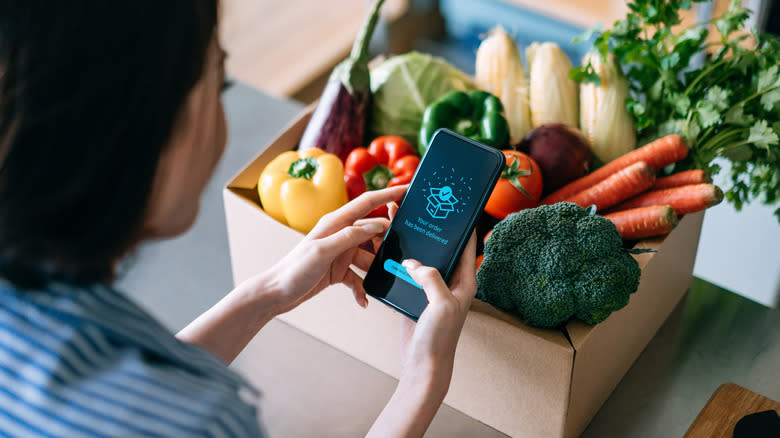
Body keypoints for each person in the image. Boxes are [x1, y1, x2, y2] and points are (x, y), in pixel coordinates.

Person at [0, 2, 478, 437]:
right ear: (146, 129)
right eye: (220, 83)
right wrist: (422, 381)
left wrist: (266, 293)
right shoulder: (205, 423)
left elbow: (115, 385)